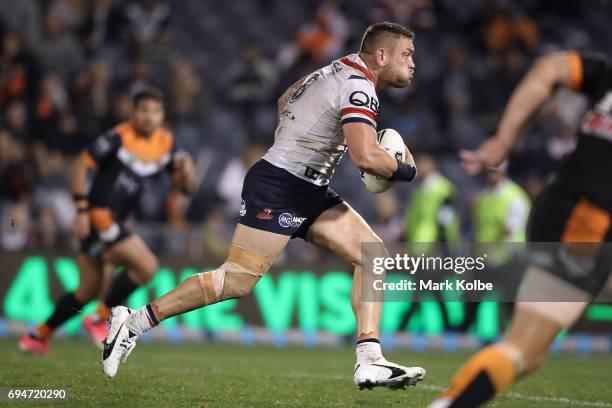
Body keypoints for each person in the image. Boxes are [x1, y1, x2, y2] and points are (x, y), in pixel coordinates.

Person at [101, 22, 426, 390]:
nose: (413, 63)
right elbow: (366, 157)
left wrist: (297, 145)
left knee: (372, 255)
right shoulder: (359, 87)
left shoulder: (336, 68)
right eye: (407, 54)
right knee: (235, 280)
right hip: (280, 186)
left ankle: (369, 361)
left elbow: (285, 98)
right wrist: (407, 171)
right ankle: (132, 322)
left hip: (305, 185)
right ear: (381, 55)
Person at [429, 51, 612, 407]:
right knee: (521, 348)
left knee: (527, 354)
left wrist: (503, 139)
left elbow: (548, 67)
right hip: (588, 224)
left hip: (562, 206)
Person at [19, 88, 195, 355]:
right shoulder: (118, 137)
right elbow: (80, 165)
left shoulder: (167, 144)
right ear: (133, 113)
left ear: (162, 115)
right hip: (98, 216)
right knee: (147, 267)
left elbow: (186, 190)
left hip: (114, 220)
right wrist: (80, 209)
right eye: (143, 110)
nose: (148, 117)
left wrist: (188, 174)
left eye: (154, 111)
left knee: (87, 291)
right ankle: (100, 319)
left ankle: (37, 336)